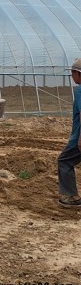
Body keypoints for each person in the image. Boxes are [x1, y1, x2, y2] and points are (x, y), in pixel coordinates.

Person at [58, 58, 81, 208]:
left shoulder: (80, 90)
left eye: (73, 73)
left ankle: (73, 197)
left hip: (78, 137)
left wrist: (80, 139)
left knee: (64, 161)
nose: (72, 76)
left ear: (78, 73)